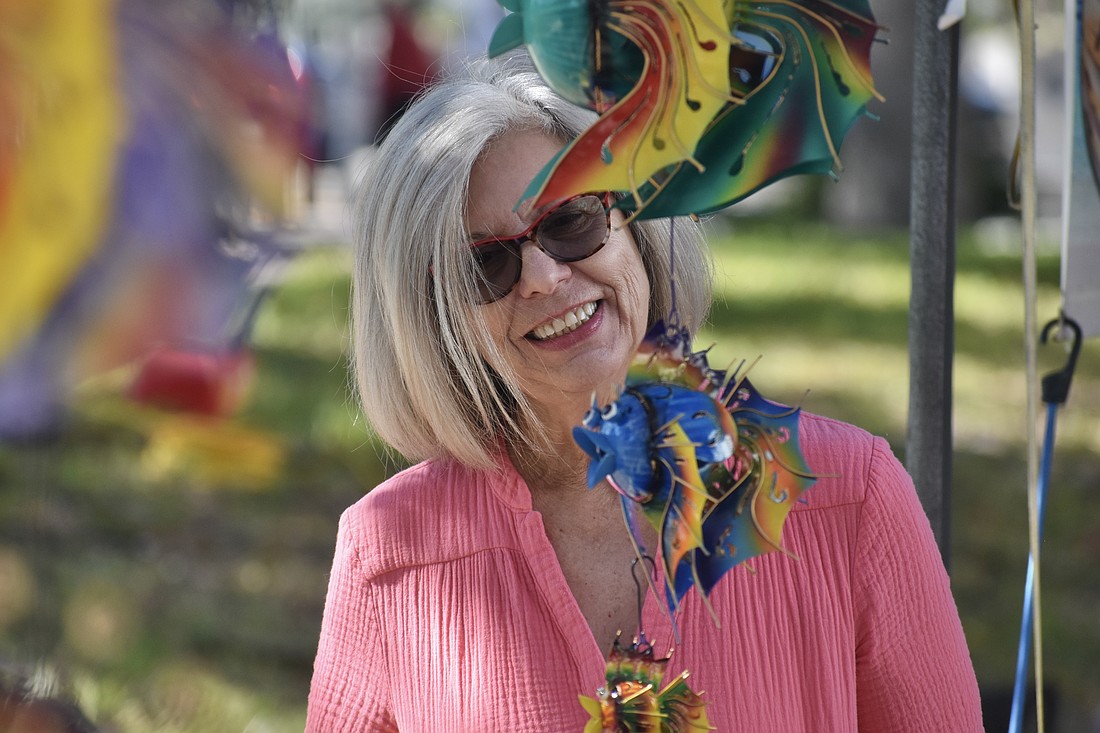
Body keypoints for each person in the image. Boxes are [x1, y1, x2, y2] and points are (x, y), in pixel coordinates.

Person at [306, 52, 984, 731]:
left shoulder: (851, 495)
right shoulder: (388, 555)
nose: (543, 276)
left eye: (570, 220)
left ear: (638, 225)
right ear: (433, 316)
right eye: (485, 263)